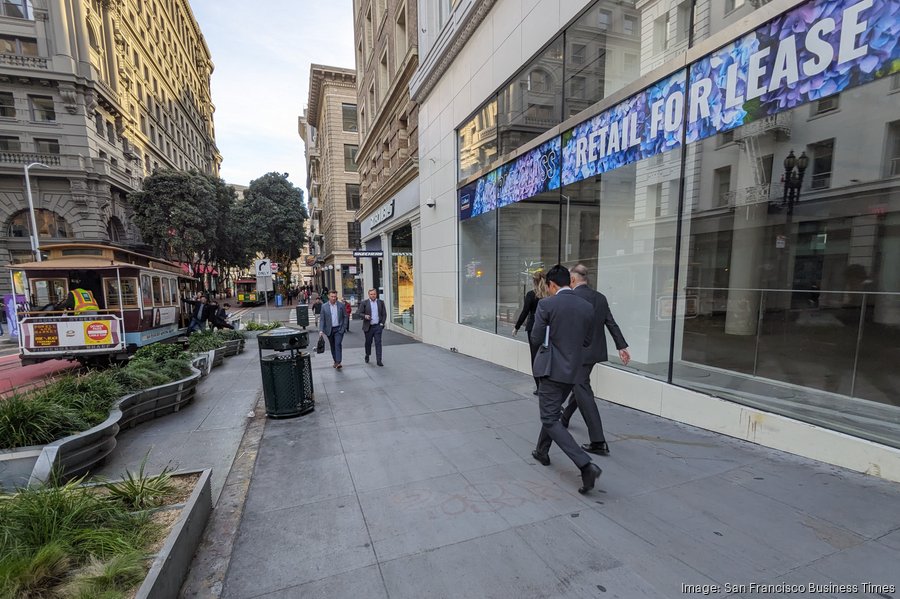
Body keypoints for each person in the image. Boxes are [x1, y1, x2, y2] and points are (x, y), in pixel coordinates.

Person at [530, 264, 603, 495]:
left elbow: (535, 337)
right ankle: (542, 451)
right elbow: (586, 341)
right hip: (573, 371)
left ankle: (585, 465)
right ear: (569, 281)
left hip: (552, 370)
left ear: (552, 285)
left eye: (549, 287)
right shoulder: (586, 306)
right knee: (552, 412)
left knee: (550, 418)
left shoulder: (546, 304)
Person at [558, 264, 630, 456]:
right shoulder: (600, 297)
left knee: (582, 389)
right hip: (594, 352)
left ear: (572, 280)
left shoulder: (573, 298)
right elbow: (610, 323)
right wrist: (621, 346)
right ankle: (565, 417)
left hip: (577, 353)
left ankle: (598, 441)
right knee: (580, 385)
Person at [513, 270, 548, 395]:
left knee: (535, 357)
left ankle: (540, 387)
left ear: (533, 281)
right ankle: (548, 384)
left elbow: (525, 312)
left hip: (533, 328)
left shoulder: (531, 295)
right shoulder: (550, 295)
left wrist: (516, 327)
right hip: (548, 328)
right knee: (548, 356)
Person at [358, 288, 387, 366]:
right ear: (369, 295)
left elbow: (384, 314)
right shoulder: (364, 303)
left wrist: (382, 324)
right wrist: (365, 316)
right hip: (368, 327)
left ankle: (379, 360)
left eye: (374, 294)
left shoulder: (381, 302)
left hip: (378, 326)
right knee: (368, 343)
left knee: (378, 343)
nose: (373, 295)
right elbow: (359, 313)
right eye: (371, 294)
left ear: (376, 294)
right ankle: (367, 354)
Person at [318, 290, 346, 369]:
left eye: (335, 296)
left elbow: (345, 316)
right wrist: (321, 330)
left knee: (337, 344)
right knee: (333, 346)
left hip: (339, 329)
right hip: (329, 330)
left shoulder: (341, 305)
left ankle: (338, 361)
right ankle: (335, 361)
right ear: (328, 296)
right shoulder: (324, 306)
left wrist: (344, 327)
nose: (333, 298)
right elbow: (322, 319)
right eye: (332, 296)